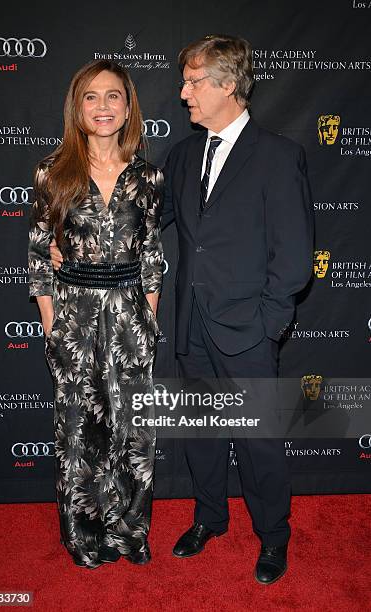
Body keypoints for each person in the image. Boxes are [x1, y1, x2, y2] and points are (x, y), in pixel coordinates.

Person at [50, 35, 314, 584]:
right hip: (190, 325)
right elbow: (141, 221)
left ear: (226, 84)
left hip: (248, 331)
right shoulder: (184, 154)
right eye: (185, 81)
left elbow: (294, 260)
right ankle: (209, 519)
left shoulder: (278, 156)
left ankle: (273, 537)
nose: (184, 92)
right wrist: (71, 234)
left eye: (193, 82)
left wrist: (267, 325)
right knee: (203, 436)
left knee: (258, 441)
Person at [28, 59, 163, 570]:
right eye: (91, 96)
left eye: (113, 96)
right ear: (76, 106)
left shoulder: (148, 176)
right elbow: (40, 252)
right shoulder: (51, 171)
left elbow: (152, 253)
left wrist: (149, 318)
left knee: (133, 428)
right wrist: (50, 322)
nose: (102, 106)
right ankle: (83, 534)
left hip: (130, 312)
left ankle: (130, 531)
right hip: (75, 314)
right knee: (80, 430)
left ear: (128, 107)